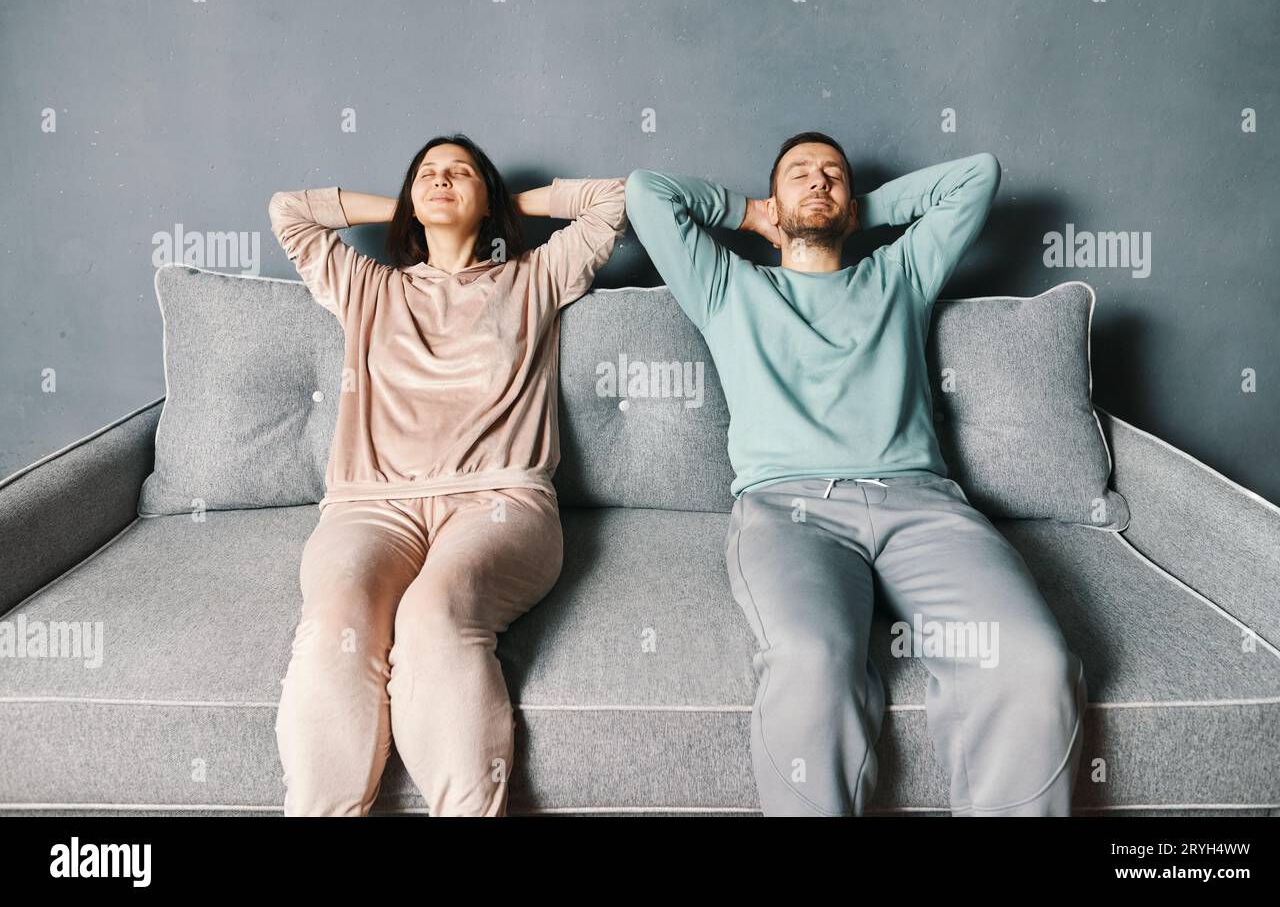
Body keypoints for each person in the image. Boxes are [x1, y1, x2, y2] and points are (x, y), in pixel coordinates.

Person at [624, 134, 1087, 816]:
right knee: (812, 662)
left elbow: (977, 176)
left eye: (832, 174)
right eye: (799, 174)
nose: (819, 181)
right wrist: (753, 211)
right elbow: (646, 193)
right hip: (789, 512)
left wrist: (849, 211)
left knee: (1031, 661)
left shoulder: (901, 273)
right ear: (773, 198)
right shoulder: (728, 286)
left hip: (923, 507)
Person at [267, 134, 626, 816]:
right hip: (371, 506)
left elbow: (617, 200)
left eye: (460, 172)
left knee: (433, 614)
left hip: (498, 502)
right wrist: (421, 202)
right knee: (337, 621)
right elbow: (289, 211)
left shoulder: (534, 275)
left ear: (487, 196)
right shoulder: (368, 286)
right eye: (426, 174)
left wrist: (501, 206)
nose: (441, 179)